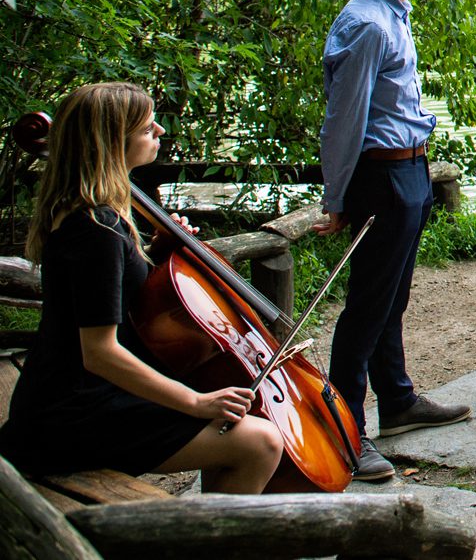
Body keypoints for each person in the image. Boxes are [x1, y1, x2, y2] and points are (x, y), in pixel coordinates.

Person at [0, 82, 283, 492]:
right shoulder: (95, 229)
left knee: (241, 429)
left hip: (69, 397)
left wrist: (156, 252)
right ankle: (217, 540)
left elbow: (112, 287)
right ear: (112, 143)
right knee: (261, 443)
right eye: (148, 128)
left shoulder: (90, 215)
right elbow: (99, 353)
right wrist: (195, 401)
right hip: (74, 413)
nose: (160, 132)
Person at [317, 0, 471, 482]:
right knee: (365, 307)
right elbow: (344, 118)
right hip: (379, 177)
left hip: (410, 170)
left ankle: (398, 401)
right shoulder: (368, 24)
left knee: (392, 300)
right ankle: (343, 433)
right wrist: (336, 199)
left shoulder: (392, 12)